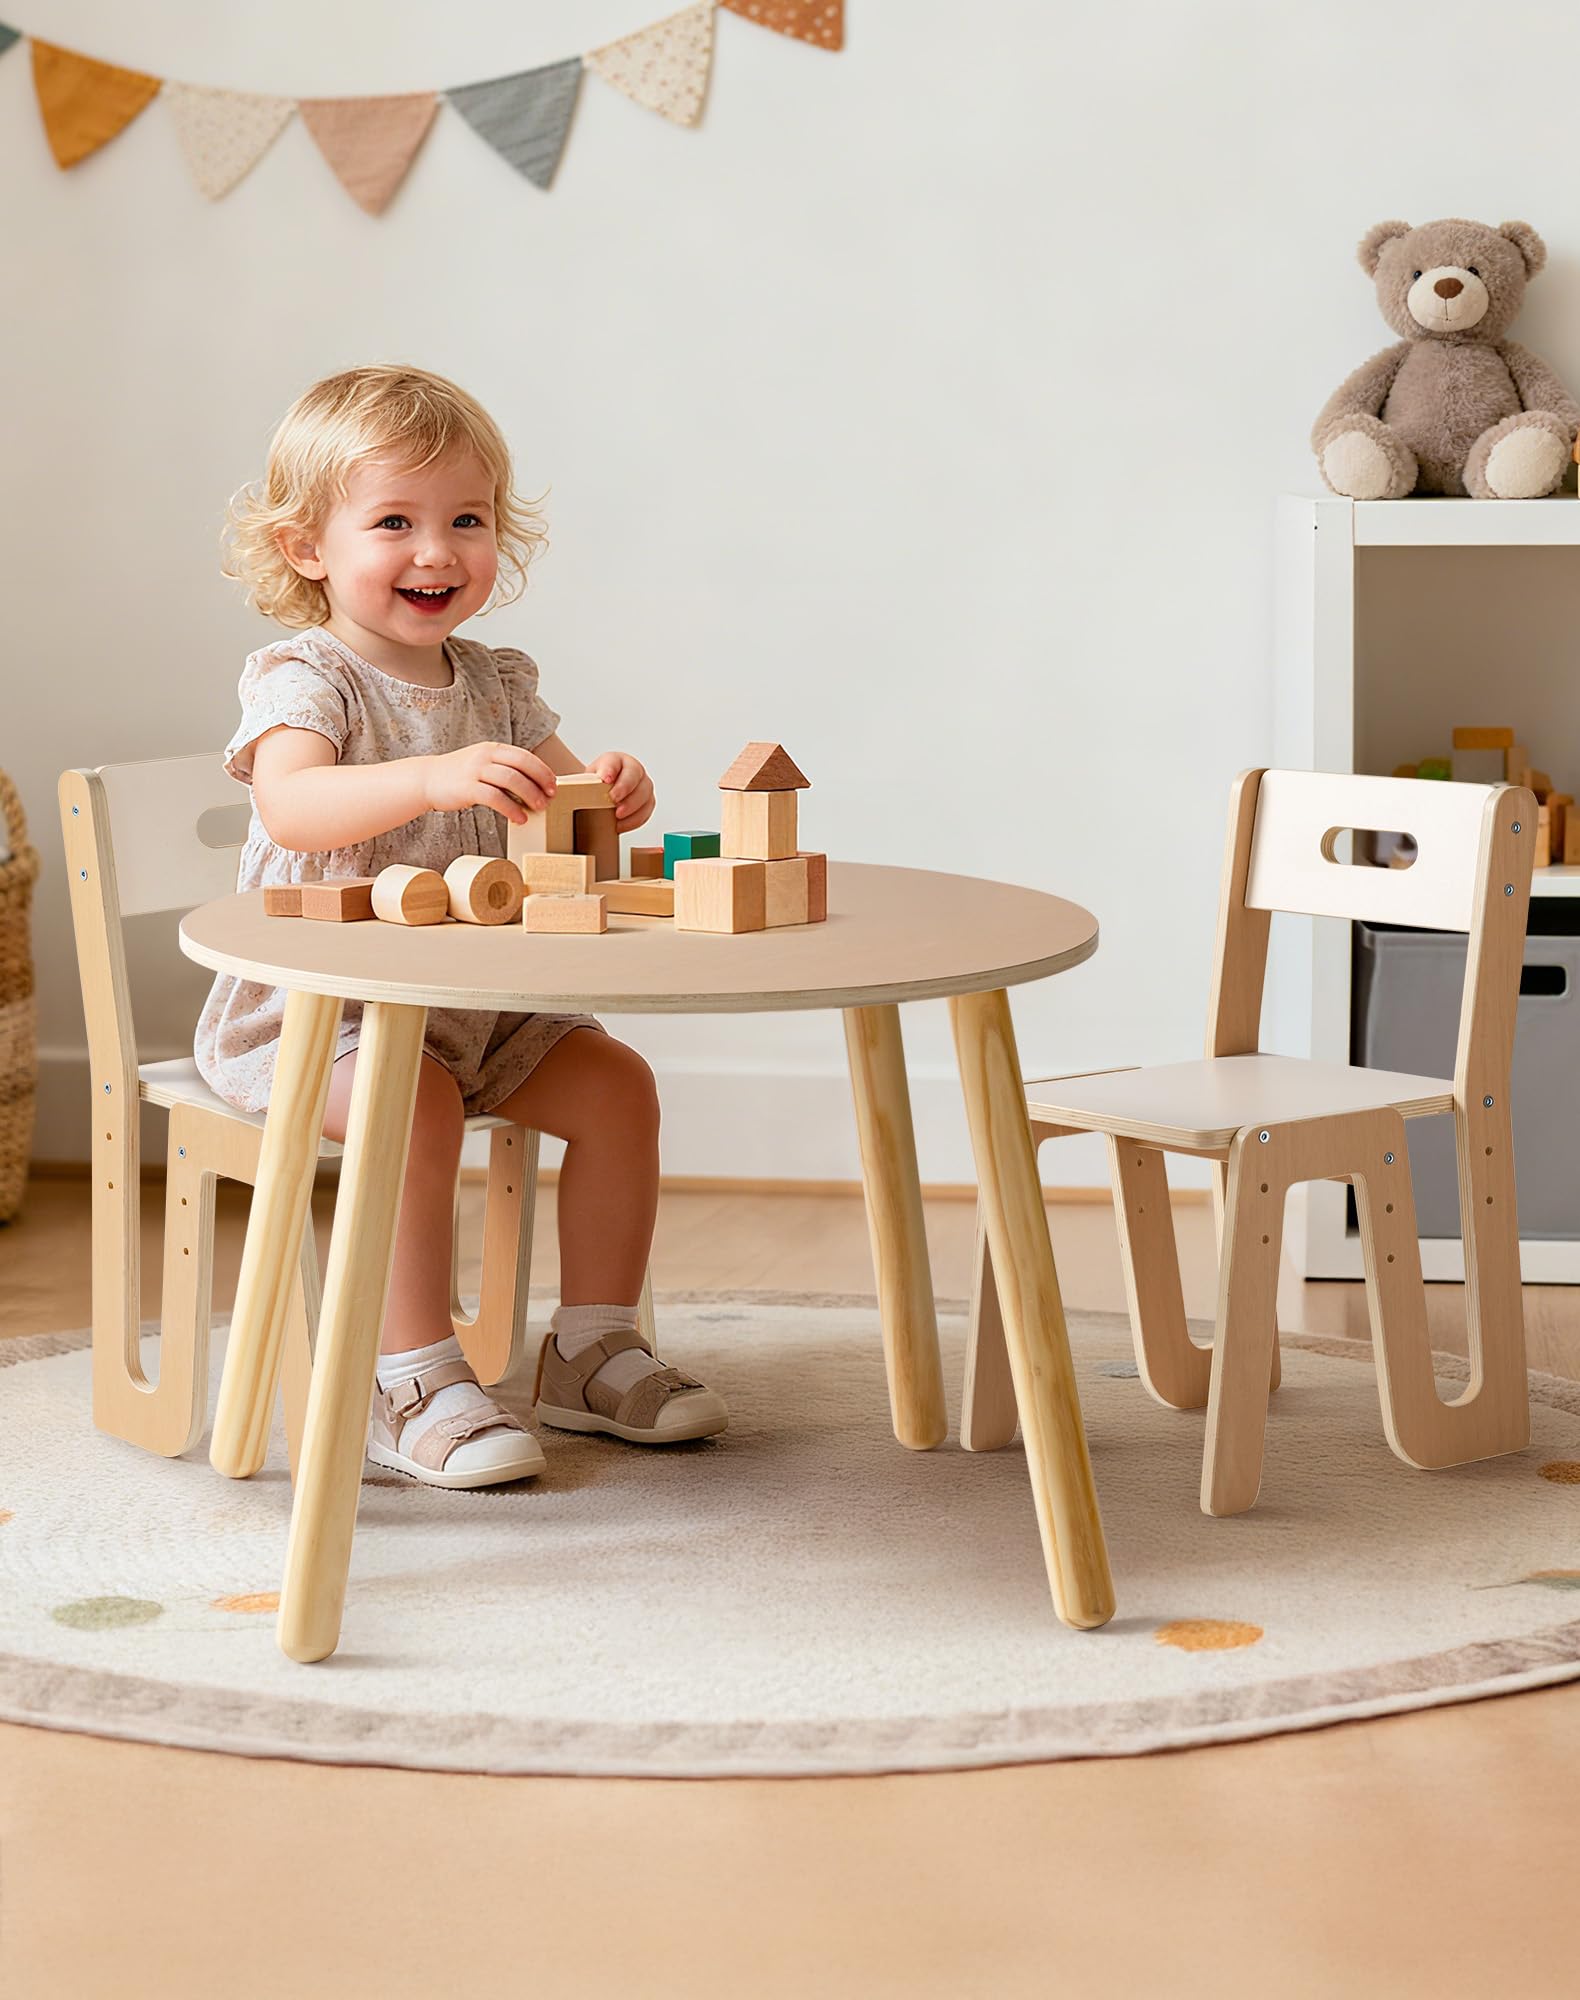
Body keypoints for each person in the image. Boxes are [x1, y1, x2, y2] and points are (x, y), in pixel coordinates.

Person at [196, 363, 727, 1488]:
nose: (437, 551)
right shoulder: (307, 679)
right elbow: (290, 802)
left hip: (481, 1012)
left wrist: (612, 793)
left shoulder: (496, 682)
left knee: (618, 1084)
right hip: (319, 1016)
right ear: (307, 548)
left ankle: (589, 1346)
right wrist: (430, 779)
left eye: (466, 521)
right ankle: (411, 1373)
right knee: (412, 1103)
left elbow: (566, 812)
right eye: (394, 521)